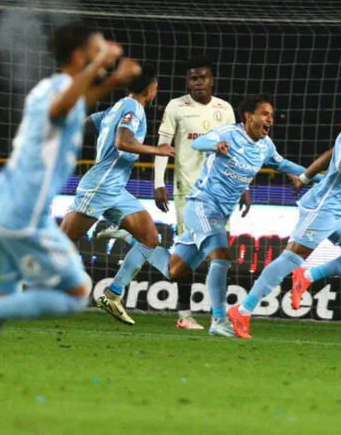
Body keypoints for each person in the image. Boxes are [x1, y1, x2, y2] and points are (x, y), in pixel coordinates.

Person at [0, 22, 138, 419]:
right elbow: (63, 107)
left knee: (1, 304)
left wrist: (112, 81)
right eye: (97, 49)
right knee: (77, 293)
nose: (104, 54)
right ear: (80, 57)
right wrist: (103, 69)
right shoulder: (58, 93)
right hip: (23, 217)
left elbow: (74, 102)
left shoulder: (58, 90)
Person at [107, 94, 320, 337]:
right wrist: (214, 145)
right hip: (201, 205)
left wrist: (318, 178)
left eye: (271, 115)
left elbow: (284, 165)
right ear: (249, 117)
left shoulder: (266, 145)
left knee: (174, 270)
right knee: (222, 254)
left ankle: (133, 238)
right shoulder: (229, 133)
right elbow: (198, 144)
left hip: (219, 213)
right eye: (264, 113)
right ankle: (219, 320)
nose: (270, 119)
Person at [227, 91, 341, 339]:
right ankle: (242, 310)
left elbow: (333, 152)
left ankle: (307, 276)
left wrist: (306, 176)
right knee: (291, 258)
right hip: (323, 207)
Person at [99, 56, 248, 330]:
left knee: (201, 256)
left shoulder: (225, 110)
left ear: (212, 79)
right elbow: (163, 145)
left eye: (202, 77)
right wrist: (158, 182)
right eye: (192, 78)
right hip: (188, 193)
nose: (197, 83)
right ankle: (187, 314)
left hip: (221, 194)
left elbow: (236, 151)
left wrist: (244, 186)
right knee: (198, 255)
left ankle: (132, 238)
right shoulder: (176, 107)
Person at [59, 64, 174, 326]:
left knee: (149, 237)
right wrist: (159, 150)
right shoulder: (133, 108)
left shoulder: (119, 107)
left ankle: (113, 294)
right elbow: (123, 141)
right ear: (149, 89)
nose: (157, 89)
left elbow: (90, 123)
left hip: (115, 189)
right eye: (156, 85)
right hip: (100, 185)